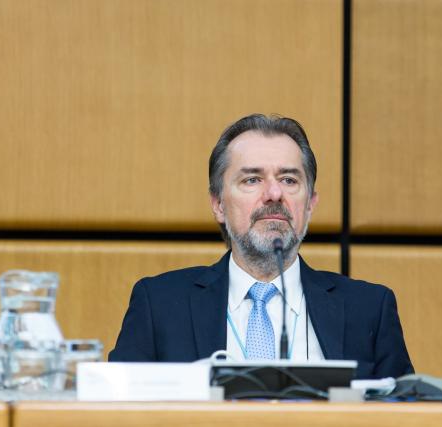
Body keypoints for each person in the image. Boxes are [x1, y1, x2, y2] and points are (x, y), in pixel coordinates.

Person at [109, 114, 413, 379]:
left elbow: (408, 416)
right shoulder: (159, 305)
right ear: (218, 205)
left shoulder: (369, 309)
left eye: (290, 179)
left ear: (310, 205)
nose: (274, 193)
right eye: (252, 179)